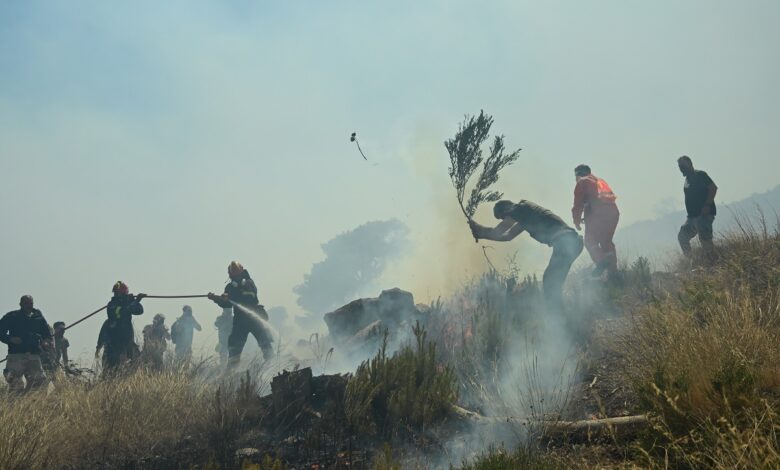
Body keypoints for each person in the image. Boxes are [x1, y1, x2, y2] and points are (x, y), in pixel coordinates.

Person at [469, 200, 583, 312]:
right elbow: (508, 236)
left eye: (503, 217)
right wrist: (482, 234)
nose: (505, 220)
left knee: (550, 281)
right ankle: (562, 318)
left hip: (565, 242)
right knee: (553, 282)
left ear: (506, 209)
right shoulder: (525, 215)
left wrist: (478, 228)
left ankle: (557, 317)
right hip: (572, 242)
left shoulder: (519, 208)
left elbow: (499, 231)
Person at [208, 261, 274, 368]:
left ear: (242, 273)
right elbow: (227, 305)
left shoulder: (249, 283)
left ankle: (272, 365)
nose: (236, 279)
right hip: (240, 321)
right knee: (234, 347)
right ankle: (231, 371)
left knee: (265, 342)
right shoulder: (229, 287)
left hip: (254, 318)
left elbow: (249, 297)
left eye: (237, 276)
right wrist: (216, 299)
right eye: (234, 276)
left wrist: (231, 297)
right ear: (230, 276)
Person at [571, 164, 620, 278]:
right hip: (613, 213)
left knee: (589, 241)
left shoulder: (582, 182)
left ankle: (601, 261)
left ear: (578, 174)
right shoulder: (599, 181)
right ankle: (613, 273)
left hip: (598, 215)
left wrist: (577, 221)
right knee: (606, 243)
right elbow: (598, 200)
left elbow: (578, 205)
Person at [0, 295, 52, 392]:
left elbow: (46, 333)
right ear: (20, 304)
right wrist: (10, 339)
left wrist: (46, 342)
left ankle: (32, 405)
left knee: (39, 383)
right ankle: (16, 405)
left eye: (31, 303)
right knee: (14, 384)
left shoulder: (38, 317)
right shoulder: (12, 316)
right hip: (16, 355)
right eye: (26, 303)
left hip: (34, 355)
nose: (29, 306)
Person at [677, 156, 718, 260]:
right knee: (682, 236)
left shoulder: (700, 175)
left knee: (705, 240)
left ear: (690, 164)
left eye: (683, 166)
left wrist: (707, 205)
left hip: (703, 215)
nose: (681, 168)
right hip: (691, 218)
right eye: (679, 167)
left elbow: (713, 188)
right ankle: (692, 262)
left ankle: (713, 264)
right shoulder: (687, 180)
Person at [103, 281, 146, 372]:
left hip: (127, 342)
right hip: (115, 343)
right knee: (113, 369)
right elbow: (122, 312)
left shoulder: (127, 303)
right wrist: (135, 301)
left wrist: (133, 301)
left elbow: (139, 311)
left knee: (135, 363)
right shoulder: (112, 306)